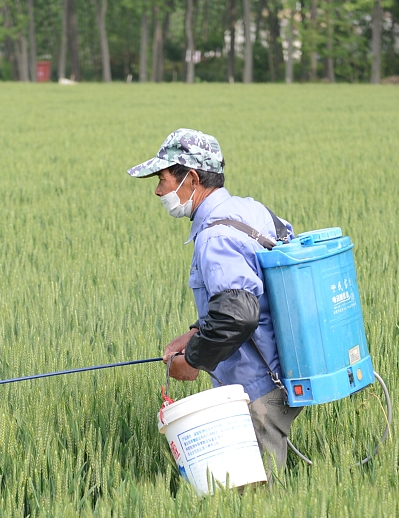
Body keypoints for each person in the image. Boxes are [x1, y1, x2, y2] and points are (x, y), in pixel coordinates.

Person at [128, 128, 302, 469]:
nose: (158, 190)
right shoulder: (250, 211)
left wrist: (193, 360)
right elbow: (252, 294)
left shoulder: (215, 238)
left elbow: (237, 313)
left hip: (258, 389)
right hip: (286, 373)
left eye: (163, 178)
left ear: (191, 178)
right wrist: (196, 331)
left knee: (252, 501)